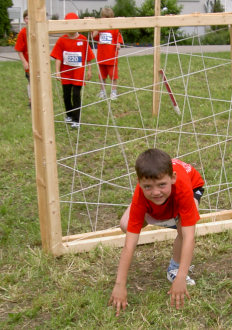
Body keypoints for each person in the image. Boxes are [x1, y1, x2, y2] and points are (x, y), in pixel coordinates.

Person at [109, 148, 205, 316]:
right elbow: (129, 246)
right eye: (147, 186)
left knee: (184, 229)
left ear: (172, 178)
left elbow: (190, 238)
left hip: (190, 187)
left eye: (161, 184)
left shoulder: (180, 185)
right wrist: (119, 284)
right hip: (161, 200)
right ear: (139, 183)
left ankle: (173, 269)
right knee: (126, 224)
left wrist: (181, 276)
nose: (155, 191)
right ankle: (163, 217)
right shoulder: (142, 194)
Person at [50, 12, 95, 128]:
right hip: (66, 73)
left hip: (78, 73)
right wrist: (57, 71)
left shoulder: (83, 39)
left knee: (76, 95)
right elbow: (58, 57)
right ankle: (69, 114)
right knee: (66, 95)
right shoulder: (61, 40)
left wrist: (89, 70)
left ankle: (76, 120)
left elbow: (88, 56)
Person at [92, 8, 123, 100]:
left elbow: (118, 37)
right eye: (105, 18)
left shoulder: (114, 29)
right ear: (102, 18)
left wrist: (118, 43)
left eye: (109, 18)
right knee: (101, 77)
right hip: (101, 58)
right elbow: (93, 36)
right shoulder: (100, 29)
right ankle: (103, 92)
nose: (106, 20)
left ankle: (113, 92)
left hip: (112, 58)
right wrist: (98, 28)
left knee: (113, 77)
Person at [15, 10, 30, 107]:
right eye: (27, 18)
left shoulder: (38, 31)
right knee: (31, 81)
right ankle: (31, 100)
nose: (29, 20)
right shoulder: (23, 33)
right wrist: (24, 62)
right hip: (29, 63)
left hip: (39, 63)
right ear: (24, 20)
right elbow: (19, 50)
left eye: (31, 18)